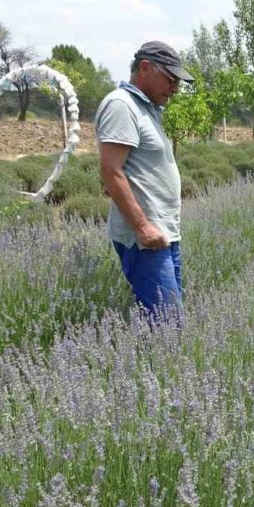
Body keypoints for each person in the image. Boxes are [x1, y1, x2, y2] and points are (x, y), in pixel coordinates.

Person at [95, 41, 194, 318]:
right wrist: (142, 227)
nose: (175, 87)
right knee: (168, 325)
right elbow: (111, 171)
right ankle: (157, 362)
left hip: (163, 233)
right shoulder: (121, 106)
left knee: (167, 320)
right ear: (145, 68)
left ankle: (156, 359)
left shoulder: (147, 109)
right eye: (170, 78)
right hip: (145, 238)